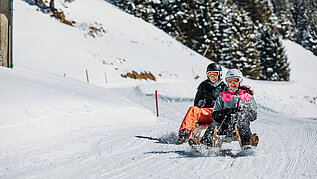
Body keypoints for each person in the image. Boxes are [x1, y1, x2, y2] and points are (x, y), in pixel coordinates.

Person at [200, 69, 258, 147]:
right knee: (214, 125)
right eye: (230, 81)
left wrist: (244, 112)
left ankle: (248, 144)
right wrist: (224, 112)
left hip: (239, 125)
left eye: (235, 80)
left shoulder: (247, 96)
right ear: (227, 82)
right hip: (224, 126)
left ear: (240, 81)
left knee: (243, 125)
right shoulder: (223, 96)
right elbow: (214, 115)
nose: (233, 83)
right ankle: (204, 145)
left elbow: (253, 115)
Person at [177, 63, 228, 144]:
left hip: (217, 114)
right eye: (210, 74)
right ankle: (184, 133)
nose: (212, 77)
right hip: (205, 113)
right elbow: (197, 103)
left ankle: (208, 140)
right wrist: (199, 107)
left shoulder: (224, 87)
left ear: (220, 74)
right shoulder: (204, 86)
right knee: (193, 109)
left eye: (215, 74)